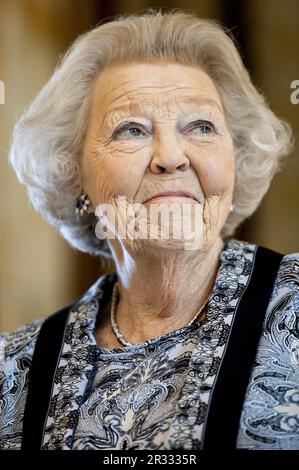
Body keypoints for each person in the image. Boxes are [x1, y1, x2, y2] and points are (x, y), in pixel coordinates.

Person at [1, 9, 298, 451]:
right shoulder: (12, 369)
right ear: (73, 173)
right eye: (131, 130)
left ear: (236, 160)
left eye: (201, 126)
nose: (171, 156)